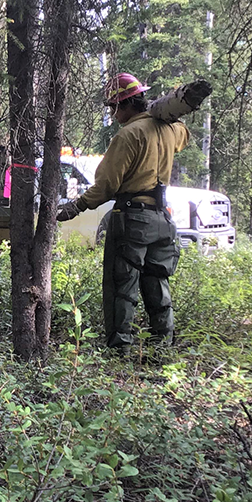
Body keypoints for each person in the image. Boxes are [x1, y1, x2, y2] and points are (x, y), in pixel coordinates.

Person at [57, 73, 189, 349]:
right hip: (162, 219)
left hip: (132, 220)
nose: (113, 113)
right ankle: (161, 349)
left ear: (126, 104)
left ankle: (120, 350)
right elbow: (184, 134)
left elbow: (106, 186)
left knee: (122, 287)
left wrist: (76, 206)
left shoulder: (128, 135)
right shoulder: (168, 129)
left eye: (113, 106)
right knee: (158, 286)